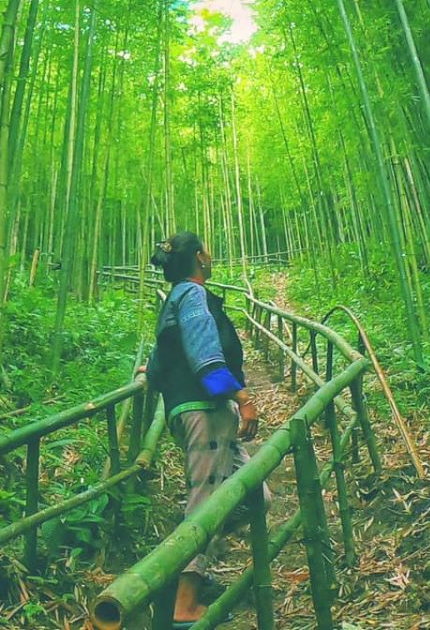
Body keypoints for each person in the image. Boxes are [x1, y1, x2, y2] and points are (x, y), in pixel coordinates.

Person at [140, 231, 259, 627]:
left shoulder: (173, 300)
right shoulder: (191, 297)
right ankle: (181, 602)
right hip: (203, 411)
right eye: (205, 250)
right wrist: (242, 398)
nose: (210, 255)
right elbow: (207, 360)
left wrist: (157, 372)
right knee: (206, 502)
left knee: (255, 494)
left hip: (197, 411)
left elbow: (159, 365)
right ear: (198, 258)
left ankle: (185, 570)